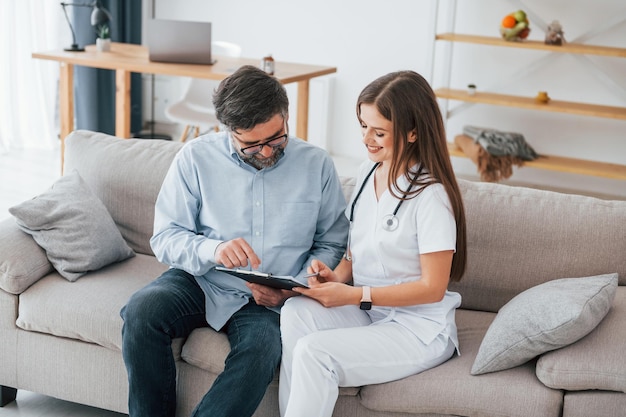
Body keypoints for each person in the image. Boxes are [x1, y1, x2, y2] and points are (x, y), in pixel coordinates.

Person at [120, 65, 349, 417]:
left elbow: (332, 242)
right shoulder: (195, 158)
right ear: (228, 130)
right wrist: (213, 249)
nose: (267, 152)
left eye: (276, 138)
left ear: (286, 116)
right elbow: (165, 237)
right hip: (203, 280)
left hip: (271, 300)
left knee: (263, 347)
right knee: (142, 311)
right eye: (251, 144)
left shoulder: (316, 164)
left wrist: (296, 286)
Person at [278, 70, 467, 417]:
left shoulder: (431, 196)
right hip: (371, 313)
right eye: (362, 126)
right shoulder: (369, 172)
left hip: (417, 328)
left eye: (379, 132)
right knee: (295, 313)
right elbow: (357, 245)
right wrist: (336, 277)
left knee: (314, 352)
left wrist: (354, 295)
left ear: (412, 132)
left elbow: (433, 287)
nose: (367, 139)